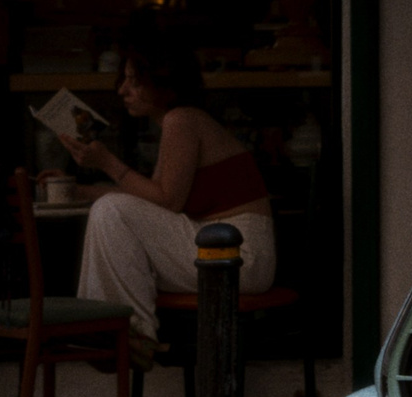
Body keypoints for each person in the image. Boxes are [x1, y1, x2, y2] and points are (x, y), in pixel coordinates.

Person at [60, 43, 275, 348]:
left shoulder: (182, 120)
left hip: (238, 255)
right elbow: (149, 200)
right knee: (109, 208)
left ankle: (126, 331)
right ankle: (120, 330)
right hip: (218, 247)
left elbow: (168, 201)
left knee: (111, 209)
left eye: (134, 81)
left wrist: (107, 163)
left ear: (164, 84)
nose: (122, 90)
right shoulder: (179, 121)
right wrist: (75, 190)